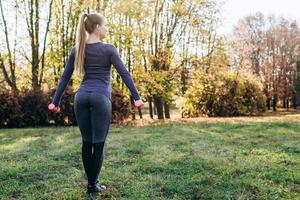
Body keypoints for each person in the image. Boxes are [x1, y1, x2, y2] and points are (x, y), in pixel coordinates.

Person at [48, 12, 144, 194]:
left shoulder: (77, 50)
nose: (107, 29)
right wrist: (137, 97)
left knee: (86, 142)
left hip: (81, 97)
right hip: (100, 98)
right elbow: (125, 73)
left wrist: (55, 101)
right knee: (98, 144)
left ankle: (92, 184)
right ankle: (92, 186)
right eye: (105, 25)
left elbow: (64, 78)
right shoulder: (109, 49)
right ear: (98, 28)